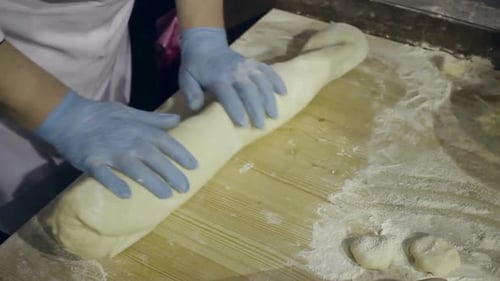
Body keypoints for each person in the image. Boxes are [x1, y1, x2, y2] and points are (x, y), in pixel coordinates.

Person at [0, 0, 286, 236]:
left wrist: (204, 34)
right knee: (31, 217)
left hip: (101, 51)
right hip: (12, 83)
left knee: (115, 172)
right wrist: (63, 116)